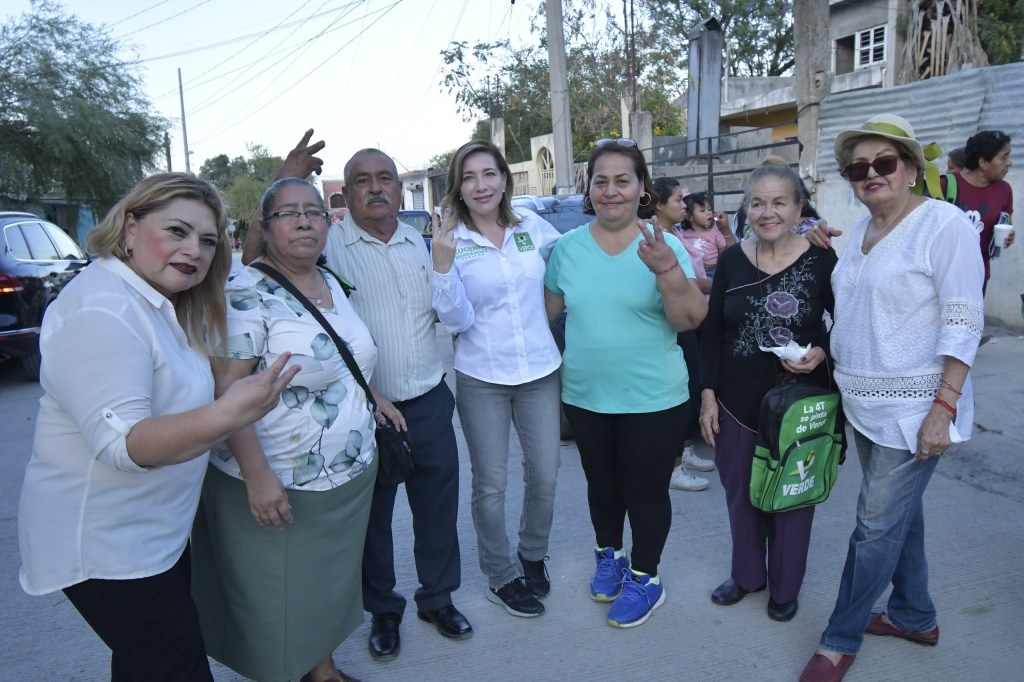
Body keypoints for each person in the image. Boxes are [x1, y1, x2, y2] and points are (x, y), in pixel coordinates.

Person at [17, 173, 299, 682]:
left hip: (153, 537)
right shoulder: (104, 310)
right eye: (176, 231)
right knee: (175, 667)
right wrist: (231, 411)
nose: (194, 249)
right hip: (111, 551)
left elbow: (250, 258)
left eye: (207, 240)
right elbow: (124, 444)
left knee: (141, 667)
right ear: (129, 228)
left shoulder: (154, 296)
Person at [799, 114, 984, 682]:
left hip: (915, 408)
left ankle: (838, 639)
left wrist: (943, 408)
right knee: (902, 516)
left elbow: (963, 319)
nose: (871, 174)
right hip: (864, 405)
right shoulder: (856, 235)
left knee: (873, 527)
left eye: (884, 163)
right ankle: (913, 614)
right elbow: (854, 310)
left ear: (909, 169)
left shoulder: (942, 225)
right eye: (859, 167)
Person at [192, 178, 378, 682]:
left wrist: (375, 399)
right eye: (288, 214)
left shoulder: (328, 279)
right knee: (281, 595)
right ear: (265, 228)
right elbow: (226, 394)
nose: (303, 222)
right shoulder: (246, 294)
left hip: (347, 475)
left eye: (314, 212)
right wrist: (257, 476)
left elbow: (345, 358)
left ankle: (321, 669)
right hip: (282, 477)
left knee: (325, 586)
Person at [543, 139, 707, 628]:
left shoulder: (665, 245)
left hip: (653, 397)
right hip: (586, 395)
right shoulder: (567, 249)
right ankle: (608, 555)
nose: (610, 190)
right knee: (602, 485)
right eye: (601, 181)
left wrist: (667, 271)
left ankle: (646, 576)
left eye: (623, 180)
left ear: (641, 190)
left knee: (645, 490)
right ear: (589, 189)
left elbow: (689, 319)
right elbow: (547, 317)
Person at [322, 148, 471, 659]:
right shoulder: (328, 247)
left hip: (429, 400)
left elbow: (445, 313)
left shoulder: (419, 243)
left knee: (437, 510)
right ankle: (383, 610)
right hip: (367, 414)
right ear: (345, 193)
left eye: (385, 178)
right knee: (373, 521)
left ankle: (438, 598)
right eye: (363, 181)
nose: (376, 188)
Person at [698, 164, 838, 625]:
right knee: (741, 492)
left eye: (779, 202)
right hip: (737, 402)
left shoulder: (823, 260)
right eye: (757, 202)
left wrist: (821, 351)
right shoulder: (733, 260)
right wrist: (708, 394)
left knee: (793, 495)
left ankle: (786, 586)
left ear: (800, 208)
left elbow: (851, 328)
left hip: (801, 401)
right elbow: (712, 333)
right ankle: (747, 575)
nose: (767, 212)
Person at [430, 140, 562, 618]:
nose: (481, 185)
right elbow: (455, 321)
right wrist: (442, 268)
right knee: (491, 484)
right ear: (458, 189)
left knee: (546, 473)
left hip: (540, 371)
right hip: (482, 375)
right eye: (469, 177)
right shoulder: (451, 241)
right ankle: (501, 576)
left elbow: (571, 265)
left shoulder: (533, 227)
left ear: (505, 179)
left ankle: (532, 555)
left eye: (489, 173)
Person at [652, 177, 714, 492]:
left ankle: (684, 451)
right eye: (677, 200)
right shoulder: (655, 237)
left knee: (691, 383)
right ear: (659, 204)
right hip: (677, 317)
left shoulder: (675, 233)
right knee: (683, 387)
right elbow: (686, 281)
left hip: (692, 313)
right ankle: (673, 464)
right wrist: (721, 285)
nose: (683, 206)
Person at [949, 130, 1014, 293]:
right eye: (1004, 157)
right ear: (984, 162)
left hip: (978, 275)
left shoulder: (1004, 190)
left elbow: (1006, 222)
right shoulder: (947, 185)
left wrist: (1009, 237)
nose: (1010, 162)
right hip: (944, 274)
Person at [679, 191, 736, 279]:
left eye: (709, 209)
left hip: (711, 272)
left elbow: (723, 252)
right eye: (702, 210)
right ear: (689, 217)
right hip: (691, 272)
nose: (709, 213)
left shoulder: (715, 232)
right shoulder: (682, 233)